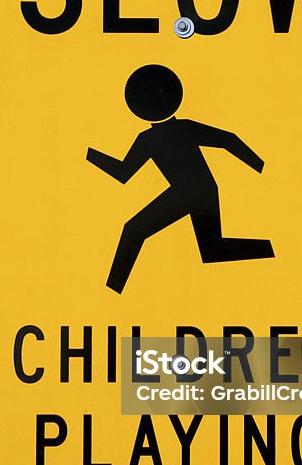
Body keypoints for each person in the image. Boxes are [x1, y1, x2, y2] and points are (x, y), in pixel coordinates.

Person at [87, 64, 274, 294]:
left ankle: (110, 292)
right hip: (201, 190)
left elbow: (122, 173)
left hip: (190, 192)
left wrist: (264, 170)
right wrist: (261, 169)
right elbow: (229, 140)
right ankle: (271, 247)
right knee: (213, 250)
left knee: (134, 230)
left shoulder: (153, 137)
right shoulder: (167, 133)